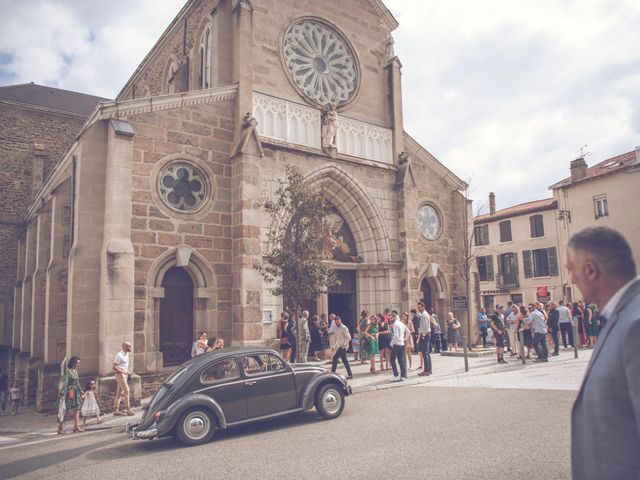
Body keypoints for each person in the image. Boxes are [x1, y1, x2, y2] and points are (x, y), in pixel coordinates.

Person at [568, 227, 640, 479]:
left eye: (571, 270)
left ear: (590, 270)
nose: (572, 279)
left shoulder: (636, 324)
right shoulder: (622, 313)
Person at [57, 356, 83, 433]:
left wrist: (80, 390)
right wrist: (62, 394)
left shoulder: (75, 371)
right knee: (66, 409)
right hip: (70, 391)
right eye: (78, 362)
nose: (79, 364)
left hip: (76, 392)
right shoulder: (69, 371)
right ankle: (60, 427)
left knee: (77, 407)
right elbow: (65, 383)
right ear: (74, 363)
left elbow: (77, 382)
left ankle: (76, 426)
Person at [113, 341, 134, 416]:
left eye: (130, 346)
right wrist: (124, 372)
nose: (130, 348)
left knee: (119, 393)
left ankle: (115, 410)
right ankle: (128, 409)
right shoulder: (119, 355)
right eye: (128, 346)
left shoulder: (127, 353)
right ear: (124, 347)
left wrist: (127, 373)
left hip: (124, 376)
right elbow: (114, 367)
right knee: (127, 391)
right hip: (120, 375)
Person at [389, 310, 409, 381]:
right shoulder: (401, 323)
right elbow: (408, 332)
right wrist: (405, 339)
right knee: (401, 361)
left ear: (395, 317)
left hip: (396, 345)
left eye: (392, 316)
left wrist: (391, 344)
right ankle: (403, 376)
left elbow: (396, 336)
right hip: (402, 344)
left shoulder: (395, 324)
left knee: (392, 360)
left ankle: (396, 375)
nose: (391, 318)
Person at [416, 301, 433, 376]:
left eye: (420, 307)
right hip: (425, 334)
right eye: (418, 307)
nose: (418, 308)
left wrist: (423, 335)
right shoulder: (423, 314)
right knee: (426, 353)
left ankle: (427, 370)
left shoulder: (424, 315)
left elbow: (426, 327)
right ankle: (429, 369)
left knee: (425, 353)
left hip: (425, 335)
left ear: (423, 307)